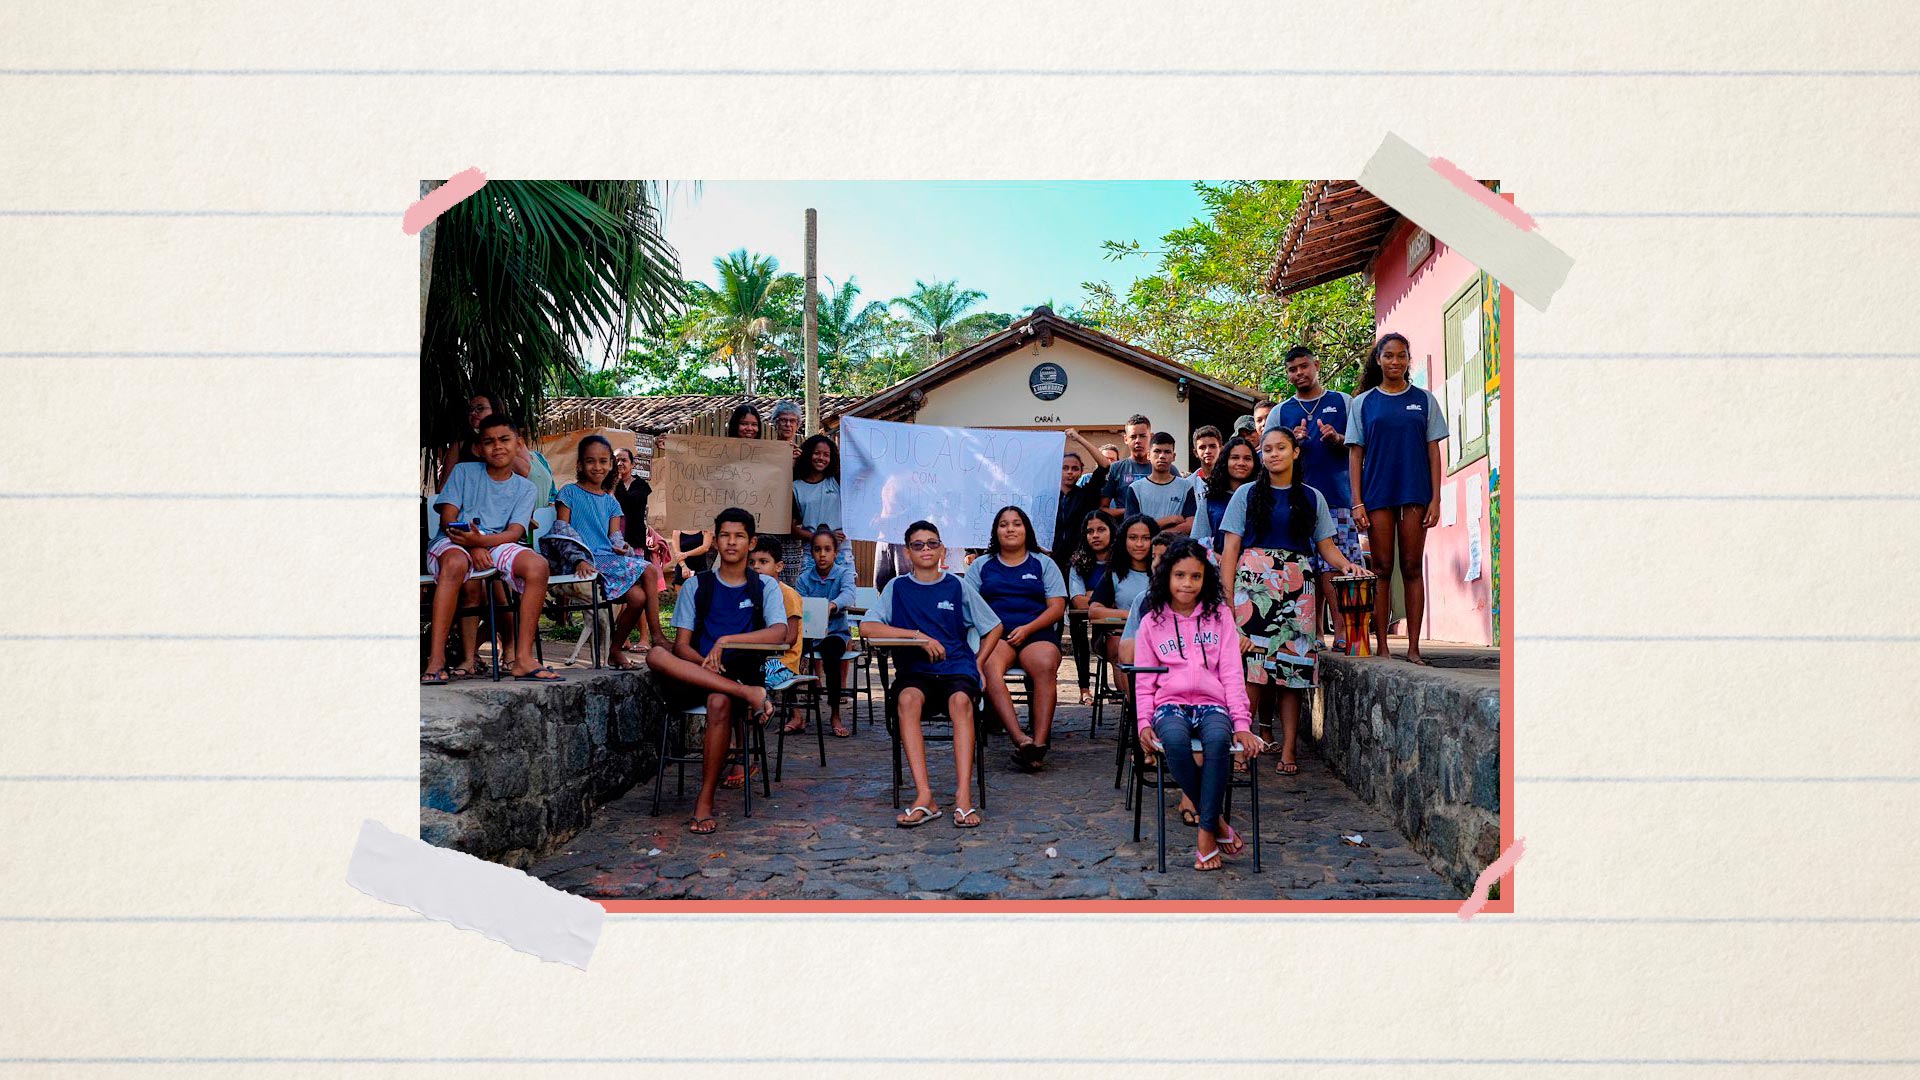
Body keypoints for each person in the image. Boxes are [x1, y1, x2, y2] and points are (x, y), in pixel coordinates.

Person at [1217, 427, 1370, 775]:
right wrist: (1227, 599)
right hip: (1253, 586)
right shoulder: (1246, 495)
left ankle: (1288, 750)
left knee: (1294, 671)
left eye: (1280, 448)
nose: (1272, 454)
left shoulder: (1312, 497)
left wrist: (1347, 565)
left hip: (1297, 587)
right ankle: (1242, 746)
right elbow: (1230, 550)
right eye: (1267, 449)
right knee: (1252, 672)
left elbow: (1327, 547)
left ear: (1295, 452)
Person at [645, 507, 789, 834]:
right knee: (656, 653)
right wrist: (704, 661)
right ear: (715, 541)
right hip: (698, 669)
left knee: (719, 702)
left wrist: (726, 640)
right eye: (724, 535)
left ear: (751, 543)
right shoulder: (699, 586)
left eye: (739, 536)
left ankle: (705, 801)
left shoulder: (763, 587)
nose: (731, 542)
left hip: (740, 669)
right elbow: (680, 646)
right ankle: (748, 695)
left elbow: (779, 632)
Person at [860, 520, 1004, 830]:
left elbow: (993, 626)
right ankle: (925, 797)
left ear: (941, 549)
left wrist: (979, 662)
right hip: (916, 670)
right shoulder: (896, 587)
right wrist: (916, 636)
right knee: (908, 700)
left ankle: (964, 796)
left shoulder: (956, 585)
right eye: (918, 544)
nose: (926, 549)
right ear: (908, 552)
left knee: (961, 703)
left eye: (932, 543)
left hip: (956, 667)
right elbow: (867, 627)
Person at [1133, 538, 1263, 871]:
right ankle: (1217, 821)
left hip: (1212, 705)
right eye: (1180, 575)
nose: (1187, 584)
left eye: (1195, 576)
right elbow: (1144, 681)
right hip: (1170, 705)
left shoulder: (1219, 617)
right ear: (1167, 577)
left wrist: (1243, 725)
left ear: (1206, 579)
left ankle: (1205, 835)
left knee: (1218, 741)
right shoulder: (1152, 622)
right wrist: (1144, 723)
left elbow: (1233, 675)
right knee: (1174, 742)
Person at [423, 413, 560, 685]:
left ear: (518, 444)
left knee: (538, 566)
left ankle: (522, 658)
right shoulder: (464, 472)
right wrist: (472, 546)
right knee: (455, 564)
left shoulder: (526, 488)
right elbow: (448, 519)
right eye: (489, 441)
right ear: (478, 448)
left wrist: (481, 543)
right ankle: (436, 660)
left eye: (504, 439)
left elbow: (515, 532)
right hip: (454, 539)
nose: (497, 446)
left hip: (495, 543)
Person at [1347, 332, 1447, 664]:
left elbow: (1434, 452)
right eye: (1388, 356)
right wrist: (1357, 501)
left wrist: (1436, 498)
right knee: (1381, 568)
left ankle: (1415, 648)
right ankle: (1384, 647)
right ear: (1378, 359)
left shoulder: (1425, 400)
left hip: (1415, 494)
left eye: (1401, 356)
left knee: (1411, 567)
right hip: (1377, 495)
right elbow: (1355, 455)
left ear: (1408, 360)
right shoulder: (1363, 403)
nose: (1395, 362)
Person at [1268, 345, 1362, 647]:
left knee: (1337, 568)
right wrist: (1289, 443)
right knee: (1306, 567)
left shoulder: (1343, 402)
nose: (1299, 374)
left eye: (1304, 367)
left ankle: (1344, 633)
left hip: (1339, 499)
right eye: (1292, 369)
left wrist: (1338, 440)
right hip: (1297, 503)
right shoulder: (1280, 412)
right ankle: (1315, 633)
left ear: (1317, 365)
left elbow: (1362, 448)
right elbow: (1265, 455)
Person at [966, 506, 1069, 772]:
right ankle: (1021, 739)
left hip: (1036, 632)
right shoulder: (981, 565)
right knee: (988, 666)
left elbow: (1057, 608)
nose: (1010, 529)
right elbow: (968, 605)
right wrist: (993, 629)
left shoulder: (1043, 563)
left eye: (1016, 523)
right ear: (995, 531)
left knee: (1045, 665)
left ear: (1027, 529)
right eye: (1003, 524)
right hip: (996, 635)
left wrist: (1028, 628)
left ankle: (1040, 742)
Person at [554, 435, 663, 669]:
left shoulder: (611, 502)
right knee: (650, 570)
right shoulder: (569, 493)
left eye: (604, 461)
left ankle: (614, 651)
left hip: (606, 559)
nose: (598, 467)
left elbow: (615, 536)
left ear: (610, 465)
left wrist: (622, 547)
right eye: (591, 461)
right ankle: (658, 638)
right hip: (581, 560)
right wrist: (579, 559)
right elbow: (561, 531)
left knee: (638, 597)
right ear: (580, 465)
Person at [795, 525, 858, 737]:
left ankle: (835, 713)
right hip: (809, 633)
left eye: (827, 549)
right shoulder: (804, 578)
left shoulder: (843, 574)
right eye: (817, 549)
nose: (822, 555)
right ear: (811, 552)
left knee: (832, 659)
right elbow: (798, 602)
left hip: (835, 634)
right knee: (789, 654)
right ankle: (795, 714)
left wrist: (833, 605)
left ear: (836, 553)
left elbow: (849, 594)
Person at [1090, 513, 1157, 666]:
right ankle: (1128, 691)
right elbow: (1094, 610)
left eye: (1146, 538)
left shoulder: (1166, 573)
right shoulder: (1114, 574)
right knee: (1119, 644)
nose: (1139, 544)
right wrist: (1132, 615)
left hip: (1160, 633)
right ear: (1123, 541)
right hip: (1123, 633)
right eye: (1133, 538)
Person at [1067, 509, 1118, 706]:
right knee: (1077, 627)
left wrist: (1093, 595)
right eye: (1090, 531)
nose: (1095, 535)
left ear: (1112, 531)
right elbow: (1078, 601)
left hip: (1119, 627)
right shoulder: (1078, 564)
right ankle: (1084, 689)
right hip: (1095, 627)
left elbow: (1124, 599)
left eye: (1101, 530)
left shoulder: (1122, 562)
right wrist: (1105, 599)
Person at [791, 434, 851, 571]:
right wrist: (822, 538)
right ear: (807, 454)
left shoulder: (838, 480)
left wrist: (850, 530)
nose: (821, 458)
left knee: (844, 592)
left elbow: (859, 505)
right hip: (811, 553)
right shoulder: (795, 487)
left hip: (841, 552)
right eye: (817, 453)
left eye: (826, 455)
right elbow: (792, 529)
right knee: (810, 593)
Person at [1191, 435, 1258, 551]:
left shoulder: (1263, 497)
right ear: (1225, 461)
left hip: (1257, 566)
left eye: (1247, 458)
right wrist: (1219, 559)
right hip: (1217, 565)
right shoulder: (1211, 499)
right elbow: (1198, 542)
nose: (1241, 463)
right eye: (1235, 458)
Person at [1123, 431, 1197, 535]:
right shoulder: (1136, 489)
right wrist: (1170, 520)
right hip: (1146, 549)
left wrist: (1153, 533)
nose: (1162, 456)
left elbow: (1189, 525)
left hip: (1176, 549)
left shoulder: (1186, 487)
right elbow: (1133, 528)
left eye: (1167, 452)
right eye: (1157, 451)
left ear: (1174, 456)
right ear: (1148, 455)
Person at [1102, 414, 1175, 511]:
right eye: (1133, 437)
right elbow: (1103, 509)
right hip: (1124, 525)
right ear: (1126, 439)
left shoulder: (1168, 469)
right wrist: (1130, 511)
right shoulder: (1116, 468)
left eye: (1142, 436)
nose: (1138, 441)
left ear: (1151, 437)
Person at [1188, 425, 1223, 496]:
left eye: (1212, 446)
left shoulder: (1231, 481)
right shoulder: (1188, 484)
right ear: (1195, 453)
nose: (1207, 451)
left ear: (1221, 449)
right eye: (1202, 447)